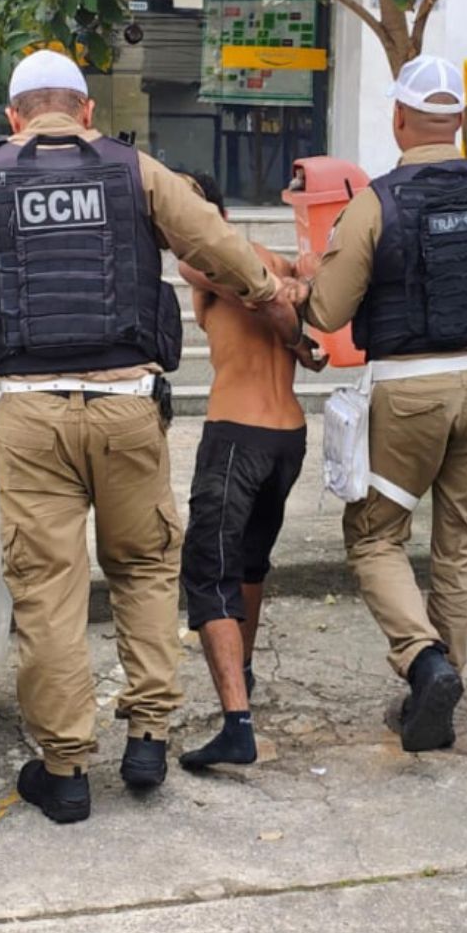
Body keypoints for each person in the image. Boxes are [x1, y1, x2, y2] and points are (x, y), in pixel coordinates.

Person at [0, 48, 302, 823]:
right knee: (145, 568)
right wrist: (271, 292)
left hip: (32, 415)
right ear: (86, 111)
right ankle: (148, 737)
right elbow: (214, 243)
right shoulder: (136, 170)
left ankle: (65, 772)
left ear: (14, 118)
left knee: (49, 589)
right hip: (128, 407)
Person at [295, 55, 467, 753]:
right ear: (460, 122)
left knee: (376, 535)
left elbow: (326, 311)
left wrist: (309, 272)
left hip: (408, 393)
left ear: (398, 119)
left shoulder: (375, 203)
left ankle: (424, 661)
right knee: (464, 540)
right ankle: (441, 688)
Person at [174, 173, 325, 770]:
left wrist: (291, 304)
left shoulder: (203, 259)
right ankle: (246, 670)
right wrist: (298, 297)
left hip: (238, 436)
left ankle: (237, 725)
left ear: (217, 214)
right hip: (288, 438)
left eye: (187, 204)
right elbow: (290, 287)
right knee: (250, 564)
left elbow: (252, 287)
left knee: (208, 571)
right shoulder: (270, 260)